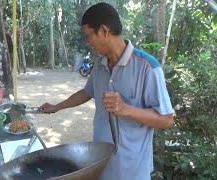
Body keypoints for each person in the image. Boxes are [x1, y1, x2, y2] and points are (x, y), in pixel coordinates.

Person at [39, 2, 174, 180]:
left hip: (131, 170)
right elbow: (87, 92)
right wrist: (57, 106)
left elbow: (167, 120)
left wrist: (126, 109)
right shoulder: (100, 64)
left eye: (89, 36)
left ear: (103, 31)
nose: (88, 43)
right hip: (101, 164)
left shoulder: (148, 68)